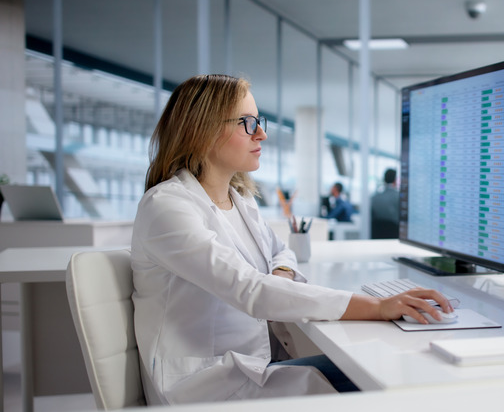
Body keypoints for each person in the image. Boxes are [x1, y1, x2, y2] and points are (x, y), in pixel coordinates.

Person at [131, 74, 452, 405]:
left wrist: (280, 276)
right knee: (382, 380)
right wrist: (378, 307)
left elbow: (281, 252)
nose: (262, 133)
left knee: (382, 370)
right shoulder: (167, 207)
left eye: (259, 121)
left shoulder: (239, 200)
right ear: (203, 130)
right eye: (247, 122)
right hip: (203, 386)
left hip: (251, 366)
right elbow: (250, 290)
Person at [370, 168, 400, 238]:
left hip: (377, 237)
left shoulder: (375, 197)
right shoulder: (399, 197)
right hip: (394, 237)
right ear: (395, 180)